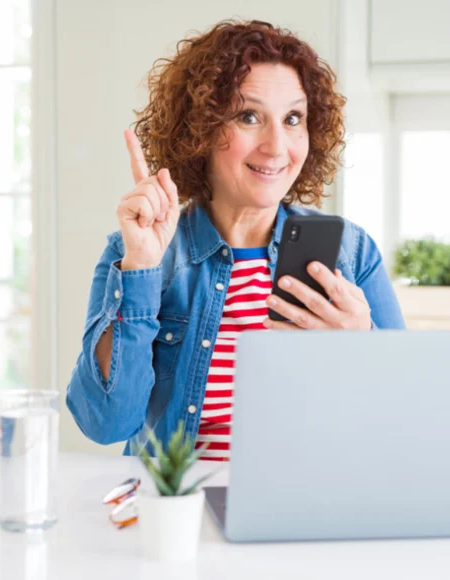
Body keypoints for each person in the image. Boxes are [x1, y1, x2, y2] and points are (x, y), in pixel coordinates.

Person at [66, 19, 405, 460]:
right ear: (201, 128)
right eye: (249, 117)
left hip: (300, 510)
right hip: (176, 517)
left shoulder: (352, 252)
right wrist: (141, 272)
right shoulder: (138, 253)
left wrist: (364, 347)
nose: (277, 146)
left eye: (292, 119)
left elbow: (402, 420)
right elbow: (106, 424)